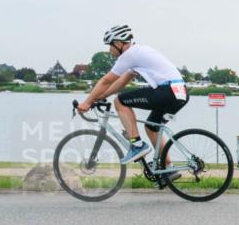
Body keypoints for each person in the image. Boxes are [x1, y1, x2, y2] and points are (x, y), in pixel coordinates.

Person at [78, 25, 189, 164]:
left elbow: (107, 80)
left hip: (167, 91)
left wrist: (87, 102)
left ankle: (137, 145)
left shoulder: (129, 55)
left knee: (120, 101)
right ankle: (167, 167)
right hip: (181, 93)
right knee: (151, 128)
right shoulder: (140, 52)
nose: (110, 50)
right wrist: (100, 96)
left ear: (119, 43)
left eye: (111, 45)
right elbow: (122, 81)